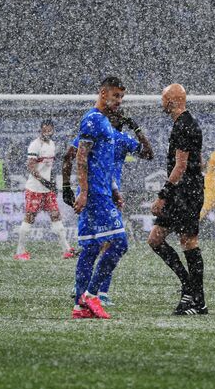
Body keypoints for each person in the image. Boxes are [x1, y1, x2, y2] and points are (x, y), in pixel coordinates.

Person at [62, 108, 153, 306]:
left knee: (93, 245)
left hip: (96, 191)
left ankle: (83, 290)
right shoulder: (119, 137)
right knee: (113, 243)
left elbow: (69, 155)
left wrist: (68, 186)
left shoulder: (97, 131)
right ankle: (97, 292)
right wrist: (136, 127)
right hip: (104, 193)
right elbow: (149, 153)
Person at [71, 76, 130, 319]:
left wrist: (115, 188)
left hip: (104, 191)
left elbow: (101, 160)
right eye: (115, 95)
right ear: (103, 93)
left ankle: (78, 306)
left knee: (92, 248)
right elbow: (81, 157)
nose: (118, 101)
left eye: (121, 97)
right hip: (95, 194)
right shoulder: (93, 120)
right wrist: (84, 191)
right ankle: (91, 295)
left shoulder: (104, 122)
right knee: (119, 243)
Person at [149, 84, 207, 315]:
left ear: (172, 99)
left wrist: (163, 195)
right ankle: (190, 288)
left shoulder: (184, 125)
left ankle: (196, 300)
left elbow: (180, 166)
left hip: (186, 193)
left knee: (189, 242)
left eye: (163, 98)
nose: (161, 102)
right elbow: (197, 161)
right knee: (155, 239)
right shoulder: (187, 123)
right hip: (184, 191)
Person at [13, 120, 76, 261]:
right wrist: (45, 182)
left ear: (53, 130)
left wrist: (51, 182)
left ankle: (66, 249)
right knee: (29, 218)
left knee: (56, 216)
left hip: (47, 190)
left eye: (49, 130)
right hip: (34, 188)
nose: (47, 132)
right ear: (41, 130)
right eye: (44, 130)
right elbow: (31, 167)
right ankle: (19, 251)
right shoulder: (35, 145)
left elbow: (48, 168)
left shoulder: (52, 144)